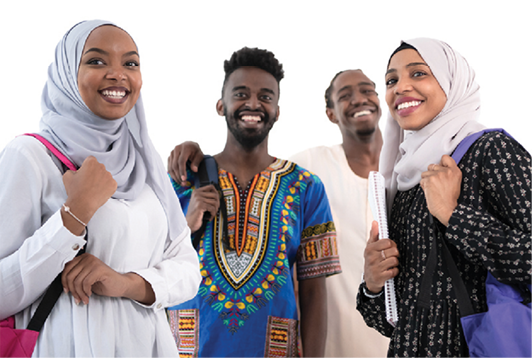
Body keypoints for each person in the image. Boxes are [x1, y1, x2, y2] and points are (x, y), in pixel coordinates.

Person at [0, 20, 201, 357]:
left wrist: (126, 283)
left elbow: (188, 271)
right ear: (66, 73)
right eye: (96, 61)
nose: (117, 74)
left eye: (130, 63)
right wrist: (73, 216)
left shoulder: (144, 159)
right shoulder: (31, 157)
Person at [356, 38, 532, 357]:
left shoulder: (491, 153)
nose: (401, 87)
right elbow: (397, 322)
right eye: (391, 80)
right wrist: (373, 286)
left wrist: (454, 216)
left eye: (419, 73)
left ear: (453, 82)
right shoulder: (404, 178)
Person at [166, 47, 341, 358]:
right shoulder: (180, 181)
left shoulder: (306, 187)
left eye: (266, 97)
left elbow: (314, 292)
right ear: (221, 105)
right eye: (241, 93)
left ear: (277, 110)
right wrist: (187, 222)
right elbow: (149, 269)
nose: (253, 104)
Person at [290, 69, 389, 357]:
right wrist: (197, 156)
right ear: (331, 113)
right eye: (345, 96)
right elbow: (250, 167)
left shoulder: (410, 166)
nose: (359, 99)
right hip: (335, 345)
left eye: (367, 90)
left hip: (403, 344)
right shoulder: (312, 166)